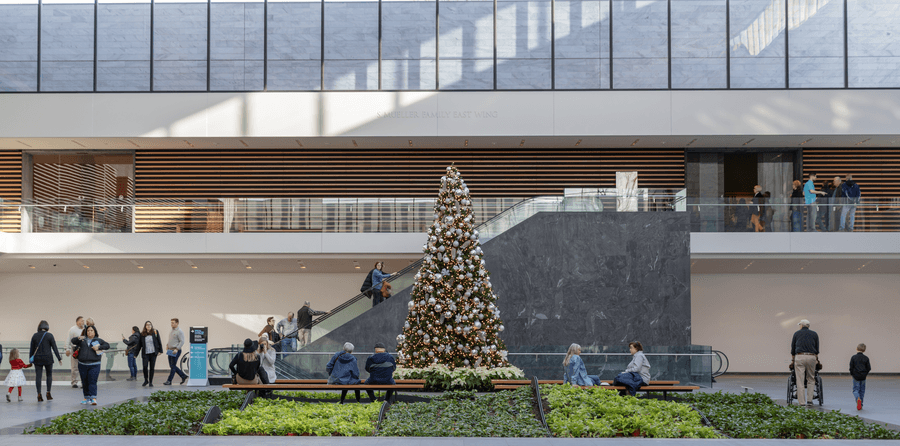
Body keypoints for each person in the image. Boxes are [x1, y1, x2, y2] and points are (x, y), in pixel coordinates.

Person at [72, 325, 110, 405]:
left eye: (91, 330)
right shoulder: (82, 340)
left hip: (94, 364)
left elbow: (107, 346)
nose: (89, 332)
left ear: (95, 332)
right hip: (82, 364)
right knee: (84, 381)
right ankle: (86, 398)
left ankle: (93, 398)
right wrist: (79, 338)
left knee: (92, 381)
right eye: (88, 330)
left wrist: (99, 347)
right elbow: (73, 341)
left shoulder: (98, 340)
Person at [29, 320, 63, 402]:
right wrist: (59, 358)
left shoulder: (35, 335)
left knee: (38, 376)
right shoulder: (49, 335)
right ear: (47, 327)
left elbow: (32, 349)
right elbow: (54, 348)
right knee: (49, 375)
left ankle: (39, 394)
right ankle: (48, 393)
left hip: (37, 359)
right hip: (48, 358)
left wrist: (30, 360)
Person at [790, 319, 819, 407]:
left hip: (800, 356)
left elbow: (793, 348)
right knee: (811, 378)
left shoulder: (796, 334)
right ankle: (809, 400)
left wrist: (793, 359)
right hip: (811, 356)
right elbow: (817, 349)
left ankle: (802, 402)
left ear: (801, 325)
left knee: (800, 380)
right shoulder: (814, 334)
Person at [134, 321, 163, 387]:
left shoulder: (155, 332)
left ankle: (150, 382)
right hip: (145, 353)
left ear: (151, 326)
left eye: (150, 325)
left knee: (152, 368)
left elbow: (159, 341)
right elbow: (139, 345)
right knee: (145, 367)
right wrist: (136, 354)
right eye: (147, 325)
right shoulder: (142, 334)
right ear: (145, 326)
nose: (148, 326)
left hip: (153, 353)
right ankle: (146, 380)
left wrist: (160, 351)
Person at [164, 318, 188, 386]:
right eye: (171, 323)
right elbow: (171, 340)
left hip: (175, 350)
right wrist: (167, 345)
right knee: (172, 366)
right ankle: (183, 376)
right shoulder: (171, 330)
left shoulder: (179, 331)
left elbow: (182, 341)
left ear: (177, 323)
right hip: (170, 350)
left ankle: (169, 380)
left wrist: (177, 349)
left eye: (173, 323)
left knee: (173, 366)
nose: (171, 324)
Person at [849, 343, 871, 411]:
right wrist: (865, 374)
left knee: (855, 390)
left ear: (857, 348)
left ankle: (857, 398)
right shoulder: (866, 358)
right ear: (864, 350)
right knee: (862, 390)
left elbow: (851, 367)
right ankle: (861, 404)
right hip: (863, 376)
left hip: (856, 376)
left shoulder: (853, 357)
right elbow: (869, 368)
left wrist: (852, 374)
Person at [65, 316, 85, 388]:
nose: (83, 322)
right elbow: (68, 339)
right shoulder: (72, 329)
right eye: (82, 321)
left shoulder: (85, 329)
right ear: (77, 322)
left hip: (83, 350)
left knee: (83, 367)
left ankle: (83, 383)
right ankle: (74, 382)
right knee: (74, 367)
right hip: (75, 350)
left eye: (83, 321)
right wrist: (67, 349)